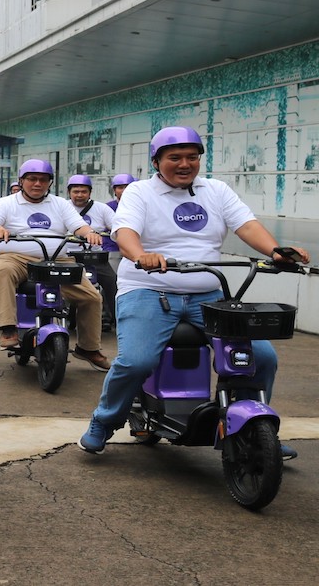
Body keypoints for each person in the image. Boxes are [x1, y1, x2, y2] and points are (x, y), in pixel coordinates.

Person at [79, 126, 311, 457]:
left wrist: (275, 251)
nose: (185, 164)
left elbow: (245, 224)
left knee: (261, 357)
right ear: (157, 161)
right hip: (149, 288)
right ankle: (104, 420)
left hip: (209, 295)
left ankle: (252, 431)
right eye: (175, 157)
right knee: (136, 361)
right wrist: (140, 254)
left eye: (192, 157)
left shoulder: (215, 190)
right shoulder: (139, 192)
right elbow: (125, 230)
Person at [0, 159, 110, 371]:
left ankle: (88, 347)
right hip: (16, 257)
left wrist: (90, 234)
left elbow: (79, 227)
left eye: (43, 179)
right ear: (22, 181)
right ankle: (8, 328)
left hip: (58, 258)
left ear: (50, 183)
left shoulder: (60, 204)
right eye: (32, 179)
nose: (37, 184)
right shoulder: (6, 203)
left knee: (92, 296)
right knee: (1, 272)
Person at [65, 174, 117, 331]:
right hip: (68, 258)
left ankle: (116, 319)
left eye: (83, 191)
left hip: (95, 258)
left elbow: (118, 225)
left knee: (112, 282)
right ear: (69, 192)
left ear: (90, 192)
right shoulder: (62, 207)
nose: (79, 195)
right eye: (76, 191)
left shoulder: (102, 209)